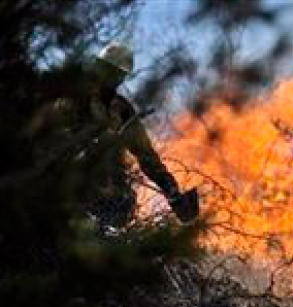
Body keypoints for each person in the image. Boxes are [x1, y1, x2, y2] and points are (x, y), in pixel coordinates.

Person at [41, 42, 196, 229]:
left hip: (107, 184)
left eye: (117, 73)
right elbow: (50, 134)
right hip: (68, 176)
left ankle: (103, 234)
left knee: (123, 206)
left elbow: (145, 154)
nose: (110, 77)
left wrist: (171, 189)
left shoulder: (121, 109)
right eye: (107, 69)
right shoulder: (74, 97)